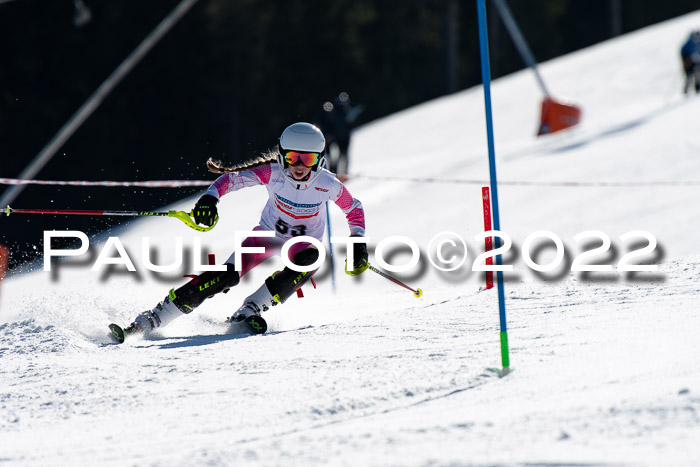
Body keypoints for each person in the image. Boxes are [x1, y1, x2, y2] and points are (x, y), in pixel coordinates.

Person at [116, 122, 369, 340]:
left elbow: (354, 209)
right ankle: (153, 319)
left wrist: (358, 242)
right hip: (267, 236)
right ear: (282, 156)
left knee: (311, 259)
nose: (299, 166)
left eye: (308, 158)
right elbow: (230, 180)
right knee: (224, 277)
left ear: (319, 159)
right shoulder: (273, 173)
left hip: (302, 246)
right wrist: (209, 200)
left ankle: (251, 309)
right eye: (293, 157)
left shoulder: (327, 183)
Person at [314, 92, 363, 180]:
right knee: (340, 156)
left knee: (337, 157)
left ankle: (336, 173)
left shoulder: (335, 112)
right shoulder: (342, 112)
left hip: (337, 138)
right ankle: (340, 173)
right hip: (341, 138)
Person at [680, 30, 700, 95]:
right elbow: (684, 54)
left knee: (696, 74)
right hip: (689, 64)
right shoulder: (689, 44)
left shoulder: (695, 43)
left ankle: (697, 88)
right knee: (689, 77)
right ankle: (687, 91)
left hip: (693, 63)